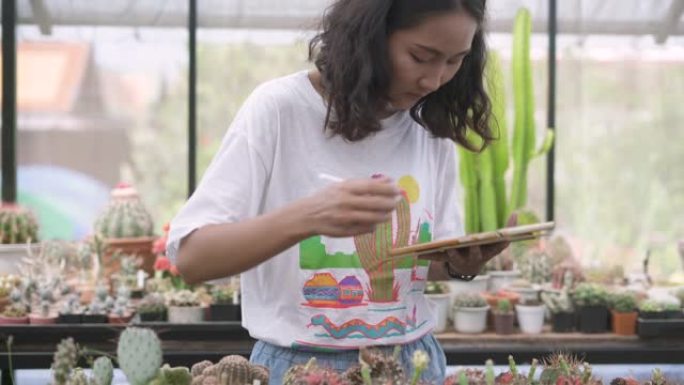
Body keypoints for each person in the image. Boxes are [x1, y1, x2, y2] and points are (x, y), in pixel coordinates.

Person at [167, 0, 512, 383]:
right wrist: (308, 216)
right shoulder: (280, 110)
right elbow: (193, 257)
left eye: (454, 60)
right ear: (370, 38)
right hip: (301, 367)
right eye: (420, 57)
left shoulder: (428, 128)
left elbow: (419, 262)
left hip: (414, 361)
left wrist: (459, 265)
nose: (433, 80)